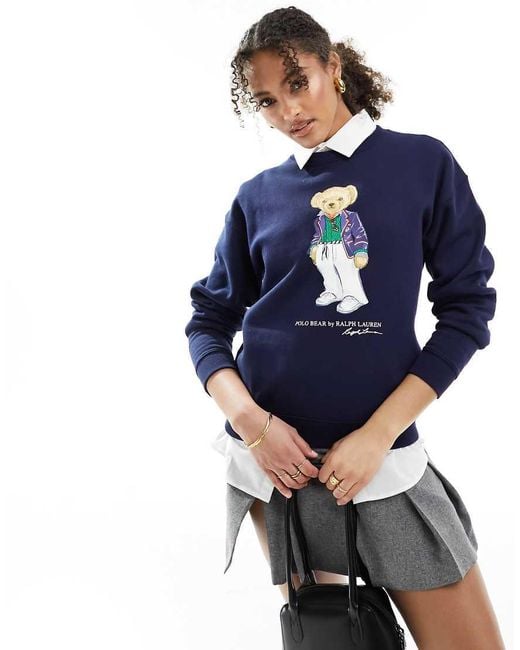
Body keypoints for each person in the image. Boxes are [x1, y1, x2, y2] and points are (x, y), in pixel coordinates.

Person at [184, 6, 505, 648]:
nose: (287, 112)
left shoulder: (421, 163)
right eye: (266, 101)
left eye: (297, 84)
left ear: (333, 66)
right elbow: (209, 322)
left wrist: (379, 435)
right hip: (279, 468)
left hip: (381, 461)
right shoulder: (257, 196)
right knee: (333, 640)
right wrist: (254, 427)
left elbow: (467, 308)